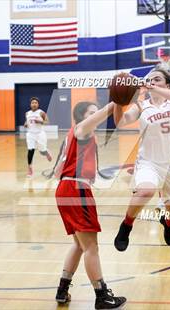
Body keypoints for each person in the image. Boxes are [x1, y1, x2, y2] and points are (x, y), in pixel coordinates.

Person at [54, 101, 126, 309]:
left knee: (79, 244)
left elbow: (59, 170)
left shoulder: (74, 134)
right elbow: (107, 111)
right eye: (91, 113)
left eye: (96, 112)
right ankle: (102, 296)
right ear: (82, 116)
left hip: (65, 188)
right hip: (77, 190)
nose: (96, 115)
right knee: (91, 247)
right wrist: (120, 96)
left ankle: (62, 290)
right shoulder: (82, 129)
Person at [113, 68, 170, 251]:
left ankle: (169, 224)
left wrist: (152, 87)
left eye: (157, 79)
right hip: (149, 162)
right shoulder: (141, 106)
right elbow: (120, 122)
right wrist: (118, 101)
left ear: (168, 85)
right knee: (146, 191)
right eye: (149, 79)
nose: (152, 81)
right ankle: (126, 225)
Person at [24, 97, 52, 177]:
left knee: (42, 151)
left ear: (38, 104)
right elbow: (26, 122)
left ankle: (46, 153)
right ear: (30, 104)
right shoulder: (27, 113)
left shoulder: (41, 113)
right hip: (30, 134)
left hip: (40, 134)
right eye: (33, 103)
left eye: (36, 103)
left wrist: (40, 121)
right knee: (30, 150)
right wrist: (25, 124)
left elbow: (47, 122)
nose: (34, 104)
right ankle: (30, 168)